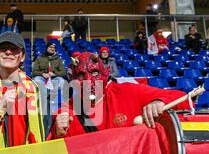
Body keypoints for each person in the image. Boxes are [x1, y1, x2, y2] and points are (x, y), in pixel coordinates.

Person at [49, 52, 191, 139]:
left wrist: (160, 102)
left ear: (105, 73)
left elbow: (184, 98)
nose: (88, 81)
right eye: (81, 75)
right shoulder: (68, 110)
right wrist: (58, 132)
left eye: (94, 73)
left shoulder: (129, 92)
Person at [0, 32, 48, 150]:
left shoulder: (38, 90)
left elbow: (46, 134)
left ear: (22, 57)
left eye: (14, 49)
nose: (8, 52)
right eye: (3, 48)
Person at [32, 42, 67, 108]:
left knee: (61, 80)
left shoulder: (58, 59)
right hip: (43, 79)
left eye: (54, 48)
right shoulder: (40, 58)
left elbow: (63, 72)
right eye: (50, 47)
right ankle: (42, 98)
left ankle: (56, 100)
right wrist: (42, 74)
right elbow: (34, 72)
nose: (52, 49)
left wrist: (54, 74)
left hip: (53, 79)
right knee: (37, 79)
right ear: (46, 48)